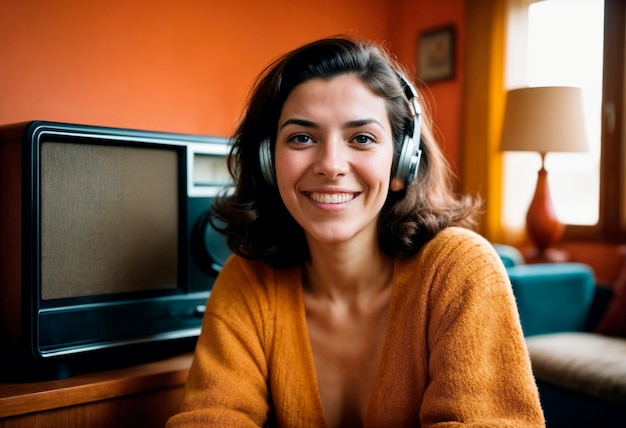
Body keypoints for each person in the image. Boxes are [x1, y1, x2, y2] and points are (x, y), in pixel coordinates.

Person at [166, 35, 545, 427]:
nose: (331, 165)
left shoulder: (460, 270)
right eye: (302, 137)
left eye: (361, 138)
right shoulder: (247, 280)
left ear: (402, 164)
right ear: (268, 162)